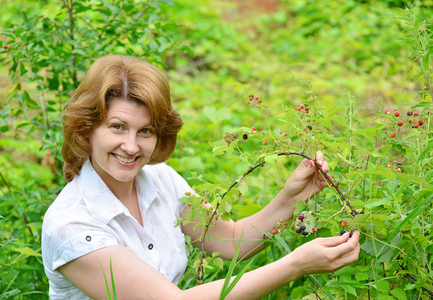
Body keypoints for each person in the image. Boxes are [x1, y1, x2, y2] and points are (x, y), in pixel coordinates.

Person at [41, 54, 361, 299]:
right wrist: (296, 265)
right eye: (117, 127)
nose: (131, 146)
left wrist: (290, 198)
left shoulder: (161, 178)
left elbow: (230, 241)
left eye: (146, 131)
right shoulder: (71, 226)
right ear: (86, 129)